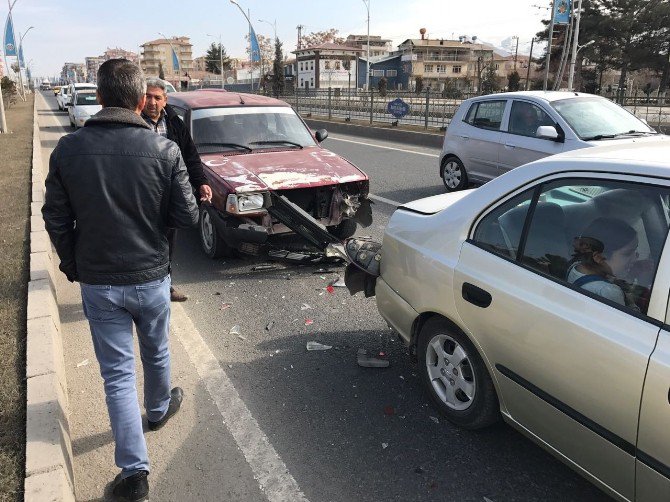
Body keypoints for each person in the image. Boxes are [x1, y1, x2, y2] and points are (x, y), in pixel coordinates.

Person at [42, 59, 199, 502]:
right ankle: (157, 409)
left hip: (99, 281)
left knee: (116, 375)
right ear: (137, 99)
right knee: (156, 349)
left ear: (101, 97)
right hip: (151, 277)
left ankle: (134, 474)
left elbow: (55, 216)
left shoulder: (69, 149)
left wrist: (74, 265)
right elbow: (186, 215)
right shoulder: (163, 151)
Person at [141, 77, 212, 302]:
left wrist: (201, 182)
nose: (152, 102)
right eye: (148, 96)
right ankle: (143, 287)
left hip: (170, 194)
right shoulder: (134, 122)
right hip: (141, 195)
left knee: (168, 244)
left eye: (157, 97)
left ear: (165, 100)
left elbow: (190, 155)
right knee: (143, 243)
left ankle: (166, 286)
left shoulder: (174, 122)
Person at [567, 217, 639, 307]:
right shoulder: (609, 292)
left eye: (635, 251)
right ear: (598, 257)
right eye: (627, 253)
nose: (635, 258)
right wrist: (631, 301)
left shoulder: (576, 266)